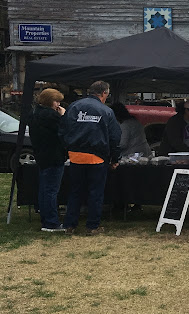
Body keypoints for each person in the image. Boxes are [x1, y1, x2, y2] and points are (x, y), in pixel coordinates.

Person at [59, 81, 121, 235]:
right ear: (104, 93)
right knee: (96, 193)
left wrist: (68, 149)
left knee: (75, 192)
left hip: (76, 157)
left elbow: (62, 130)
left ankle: (69, 225)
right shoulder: (106, 111)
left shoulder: (73, 107)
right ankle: (92, 226)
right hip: (97, 158)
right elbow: (115, 137)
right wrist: (115, 158)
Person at [29, 88, 68, 232]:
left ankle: (46, 219)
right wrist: (63, 116)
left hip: (41, 155)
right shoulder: (51, 116)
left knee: (44, 190)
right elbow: (64, 131)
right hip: (54, 156)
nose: (58, 104)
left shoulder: (34, 113)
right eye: (57, 101)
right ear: (50, 101)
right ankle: (51, 222)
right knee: (51, 190)